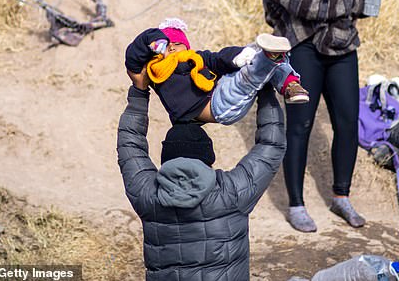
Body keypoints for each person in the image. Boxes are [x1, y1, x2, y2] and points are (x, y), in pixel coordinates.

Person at [251, 0, 367, 232]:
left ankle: (341, 197)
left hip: (342, 45)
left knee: (348, 122)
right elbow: (305, 3)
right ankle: (297, 204)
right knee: (299, 125)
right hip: (303, 47)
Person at [117, 68, 287, 280]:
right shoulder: (231, 193)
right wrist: (265, 90)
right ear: (208, 157)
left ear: (166, 157)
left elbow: (129, 145)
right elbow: (271, 145)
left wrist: (139, 92)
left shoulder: (148, 195)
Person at [125, 17, 309, 125]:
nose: (172, 47)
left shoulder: (194, 58)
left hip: (219, 89)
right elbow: (132, 57)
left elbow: (218, 58)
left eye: (177, 43)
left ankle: (290, 84)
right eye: (167, 44)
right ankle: (270, 58)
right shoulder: (156, 73)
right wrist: (154, 38)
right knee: (247, 78)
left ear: (187, 47)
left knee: (258, 53)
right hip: (217, 107)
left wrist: (239, 55)